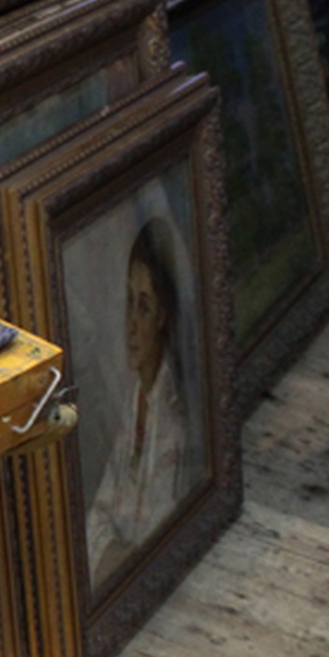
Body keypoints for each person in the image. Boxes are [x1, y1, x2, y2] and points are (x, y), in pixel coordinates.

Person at [85, 217, 191, 591]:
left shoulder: (174, 415)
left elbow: (157, 545)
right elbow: (97, 517)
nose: (131, 324)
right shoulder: (135, 401)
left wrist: (114, 557)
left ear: (162, 317)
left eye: (144, 307)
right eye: (129, 302)